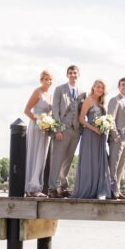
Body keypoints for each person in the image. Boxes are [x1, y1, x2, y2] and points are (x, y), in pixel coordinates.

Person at [71, 79, 114, 199]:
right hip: (90, 135)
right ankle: (87, 189)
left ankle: (101, 190)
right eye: (98, 87)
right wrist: (94, 129)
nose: (100, 89)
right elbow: (81, 119)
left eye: (102, 88)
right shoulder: (88, 100)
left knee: (100, 162)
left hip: (101, 135)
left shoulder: (102, 102)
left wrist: (106, 126)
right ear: (93, 87)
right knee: (89, 161)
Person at [49, 64, 84, 198]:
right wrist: (57, 129)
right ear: (67, 75)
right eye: (70, 73)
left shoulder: (82, 93)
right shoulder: (59, 89)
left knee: (68, 160)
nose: (73, 75)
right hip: (62, 130)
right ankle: (52, 188)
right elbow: (55, 110)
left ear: (78, 75)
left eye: (75, 73)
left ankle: (63, 187)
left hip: (76, 131)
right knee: (57, 159)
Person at [23, 69, 54, 197]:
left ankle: (37, 186)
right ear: (41, 80)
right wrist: (39, 122)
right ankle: (30, 188)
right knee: (34, 155)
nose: (48, 81)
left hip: (45, 130)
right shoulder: (37, 92)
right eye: (46, 79)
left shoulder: (50, 95)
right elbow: (26, 110)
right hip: (36, 127)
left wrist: (48, 124)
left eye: (50, 79)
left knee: (42, 157)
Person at [107, 77, 125, 200]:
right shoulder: (115, 100)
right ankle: (111, 191)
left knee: (121, 167)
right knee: (113, 166)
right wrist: (116, 137)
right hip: (117, 139)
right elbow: (110, 119)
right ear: (119, 87)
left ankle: (117, 190)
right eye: (123, 85)